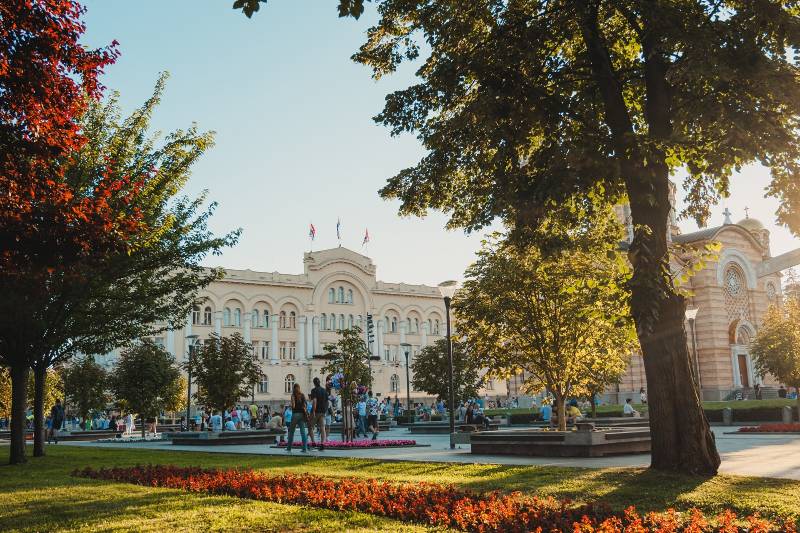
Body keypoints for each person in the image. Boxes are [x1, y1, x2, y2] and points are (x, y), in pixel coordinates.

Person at [286, 383, 310, 453]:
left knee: (291, 432)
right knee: (303, 432)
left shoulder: (293, 395)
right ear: (299, 388)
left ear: (293, 388)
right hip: (302, 415)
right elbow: (305, 405)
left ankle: (289, 448)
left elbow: (293, 406)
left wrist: (291, 404)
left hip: (295, 415)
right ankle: (304, 448)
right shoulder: (302, 395)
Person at [309, 377, 329, 450]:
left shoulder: (314, 390)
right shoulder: (324, 391)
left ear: (314, 383)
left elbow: (314, 401)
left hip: (316, 411)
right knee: (322, 428)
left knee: (310, 427)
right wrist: (325, 410)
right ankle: (322, 443)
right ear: (319, 382)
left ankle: (313, 443)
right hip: (323, 412)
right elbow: (327, 402)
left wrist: (313, 411)